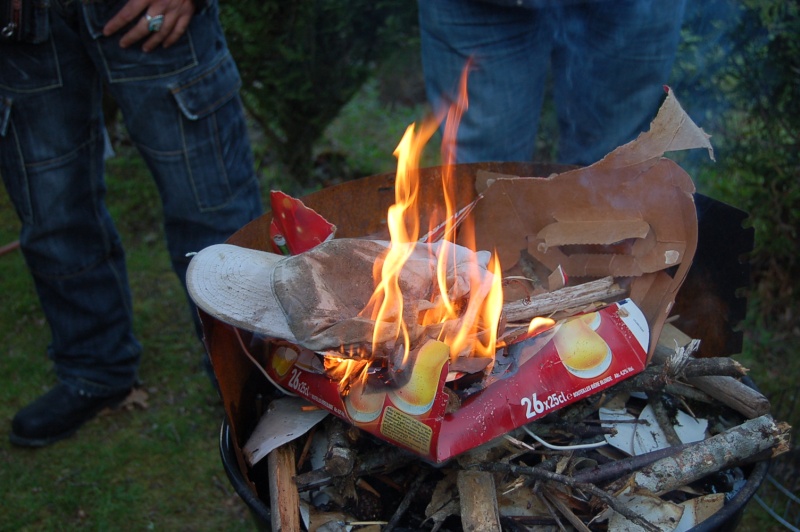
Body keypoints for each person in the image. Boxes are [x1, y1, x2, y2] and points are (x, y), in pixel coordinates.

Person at [0, 0, 263, 447]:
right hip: (22, 30)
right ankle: (95, 368)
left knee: (211, 213)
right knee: (52, 218)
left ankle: (250, 371)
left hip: (149, 15)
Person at [418, 0, 687, 166]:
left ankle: (591, 256)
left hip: (634, 7)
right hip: (480, 7)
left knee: (613, 173)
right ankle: (480, 258)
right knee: (483, 178)